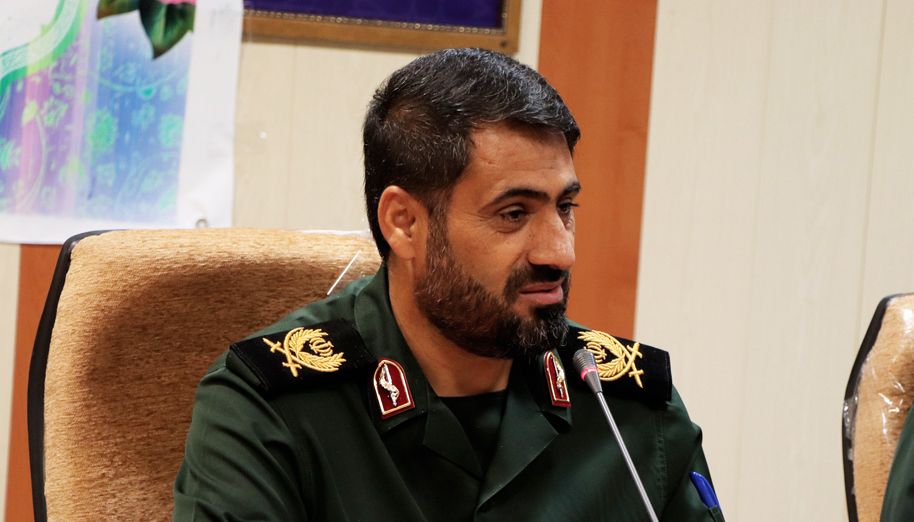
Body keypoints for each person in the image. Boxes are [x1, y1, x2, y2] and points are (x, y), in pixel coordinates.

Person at [174, 48, 724, 521]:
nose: (560, 252)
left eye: (565, 208)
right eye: (513, 213)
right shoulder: (271, 406)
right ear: (404, 223)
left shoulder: (626, 406)